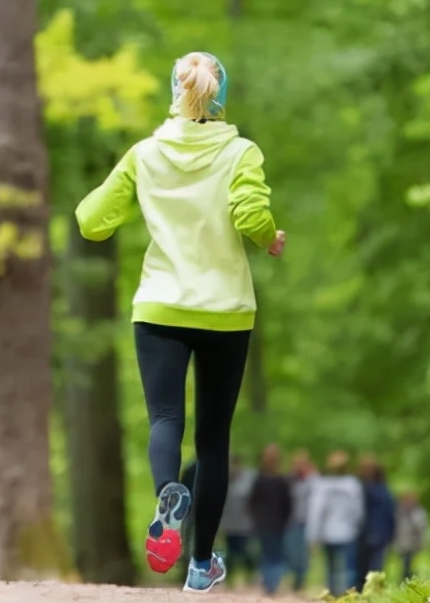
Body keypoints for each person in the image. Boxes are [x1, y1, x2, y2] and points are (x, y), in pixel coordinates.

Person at [75, 51, 285, 593]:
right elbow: (251, 214)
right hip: (226, 313)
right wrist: (270, 239)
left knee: (165, 419)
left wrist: (132, 193)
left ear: (176, 92)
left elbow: (92, 222)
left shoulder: (145, 154)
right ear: (221, 96)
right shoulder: (241, 152)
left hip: (161, 307)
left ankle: (169, 492)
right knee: (213, 439)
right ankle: (200, 566)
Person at [306, 451, 364, 597]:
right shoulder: (352, 484)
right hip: (347, 532)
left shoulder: (322, 484)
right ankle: (347, 596)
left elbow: (315, 512)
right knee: (348, 568)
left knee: (331, 568)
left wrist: (312, 536)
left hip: (328, 532)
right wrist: (357, 527)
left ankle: (332, 596)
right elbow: (358, 510)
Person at [249, 444, 292, 595]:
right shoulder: (281, 480)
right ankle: (271, 583)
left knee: (267, 554)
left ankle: (270, 583)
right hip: (276, 523)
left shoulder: (261, 479)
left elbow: (252, 502)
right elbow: (288, 505)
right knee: (275, 554)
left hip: (265, 523)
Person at [355, 462, 396, 591]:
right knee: (372, 567)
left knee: (367, 566)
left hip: (368, 533)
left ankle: (365, 592)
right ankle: (371, 592)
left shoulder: (366, 490)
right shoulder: (384, 491)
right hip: (375, 533)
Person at [219, 455, 258, 587]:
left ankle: (251, 572)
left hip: (246, 524)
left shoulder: (248, 479)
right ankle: (229, 577)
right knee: (230, 553)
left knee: (246, 552)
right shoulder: (222, 480)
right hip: (229, 525)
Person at [284, 449, 316, 593]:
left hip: (307, 521)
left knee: (303, 552)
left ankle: (300, 579)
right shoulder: (289, 479)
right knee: (291, 551)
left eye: (302, 463)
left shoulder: (313, 480)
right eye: (297, 463)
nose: (299, 466)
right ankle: (294, 575)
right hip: (291, 521)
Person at [394, 491, 429, 582]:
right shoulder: (399, 511)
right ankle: (406, 579)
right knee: (405, 563)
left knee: (408, 562)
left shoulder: (418, 512)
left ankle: (406, 579)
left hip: (413, 542)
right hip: (402, 542)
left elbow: (421, 526)